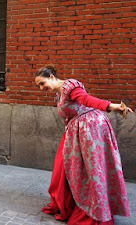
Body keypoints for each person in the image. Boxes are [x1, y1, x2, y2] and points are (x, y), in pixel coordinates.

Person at [34, 65, 132, 224]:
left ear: (52, 77)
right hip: (76, 132)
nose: (41, 88)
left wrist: (111, 106)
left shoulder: (70, 86)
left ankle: (94, 210)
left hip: (90, 130)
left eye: (42, 83)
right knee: (63, 166)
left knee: (91, 171)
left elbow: (87, 100)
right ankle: (67, 202)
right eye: (39, 85)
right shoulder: (60, 93)